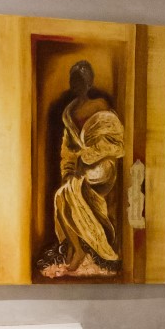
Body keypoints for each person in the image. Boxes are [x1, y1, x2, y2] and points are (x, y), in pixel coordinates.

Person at [38, 60, 124, 278]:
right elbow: (67, 150)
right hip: (79, 169)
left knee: (72, 190)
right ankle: (76, 247)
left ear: (89, 82)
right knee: (61, 195)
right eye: (74, 81)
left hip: (103, 165)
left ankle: (84, 250)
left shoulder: (100, 105)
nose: (77, 85)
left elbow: (114, 141)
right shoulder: (69, 112)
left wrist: (87, 157)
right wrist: (68, 170)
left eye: (81, 81)